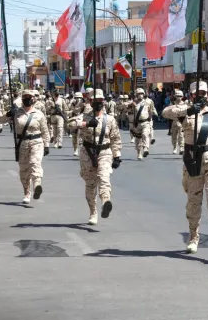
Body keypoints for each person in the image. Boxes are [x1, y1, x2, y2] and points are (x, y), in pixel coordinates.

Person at [162, 81, 208, 254]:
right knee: (193, 204)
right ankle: (193, 237)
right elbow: (166, 113)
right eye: (197, 94)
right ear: (191, 95)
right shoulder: (185, 113)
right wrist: (188, 110)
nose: (200, 97)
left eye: (203, 94)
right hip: (193, 164)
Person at [67, 89, 122, 225]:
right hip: (88, 153)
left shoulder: (110, 119)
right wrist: (85, 124)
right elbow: (69, 125)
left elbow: (115, 138)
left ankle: (105, 202)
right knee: (90, 184)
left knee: (104, 178)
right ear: (90, 102)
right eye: (95, 101)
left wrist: (117, 156)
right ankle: (93, 212)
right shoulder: (84, 116)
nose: (98, 103)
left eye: (100, 101)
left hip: (104, 152)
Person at [8, 89, 50, 204]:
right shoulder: (17, 113)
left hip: (36, 141)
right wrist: (9, 113)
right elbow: (0, 119)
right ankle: (27, 192)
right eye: (25, 97)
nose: (28, 99)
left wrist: (46, 145)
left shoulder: (39, 114)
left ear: (33, 99)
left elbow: (45, 131)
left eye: (30, 97)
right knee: (23, 170)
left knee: (34, 163)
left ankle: (37, 186)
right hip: (22, 143)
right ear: (22, 99)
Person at [130, 87, 156, 160]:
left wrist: (150, 119)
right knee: (138, 139)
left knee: (145, 134)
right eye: (139, 94)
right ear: (136, 95)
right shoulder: (133, 103)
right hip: (137, 123)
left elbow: (151, 111)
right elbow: (128, 111)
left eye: (141, 93)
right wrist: (131, 105)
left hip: (145, 122)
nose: (140, 95)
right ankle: (139, 153)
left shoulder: (148, 102)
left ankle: (146, 148)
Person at [163, 89, 187, 154]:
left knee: (181, 136)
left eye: (180, 96)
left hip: (182, 122)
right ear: (175, 96)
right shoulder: (172, 103)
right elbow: (167, 112)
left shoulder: (185, 104)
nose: (178, 97)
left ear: (182, 97)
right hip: (174, 121)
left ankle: (181, 147)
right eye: (177, 96)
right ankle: (175, 147)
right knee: (174, 136)